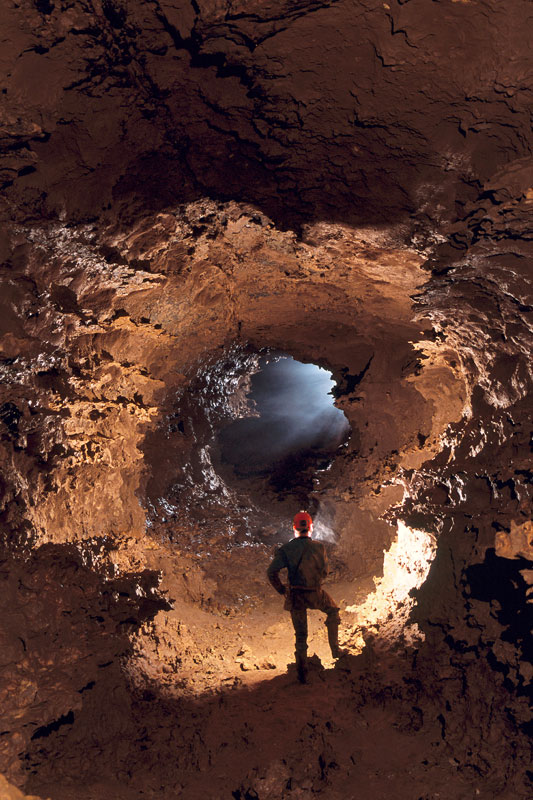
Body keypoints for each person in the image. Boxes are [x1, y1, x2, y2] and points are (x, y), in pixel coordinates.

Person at [267, 510, 348, 683]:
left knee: (301, 635)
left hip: (295, 595)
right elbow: (325, 571)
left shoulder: (286, 549)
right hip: (314, 592)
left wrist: (281, 590)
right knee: (332, 611)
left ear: (294, 528)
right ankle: (336, 651)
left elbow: (271, 571)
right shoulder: (319, 547)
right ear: (311, 527)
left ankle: (302, 674)